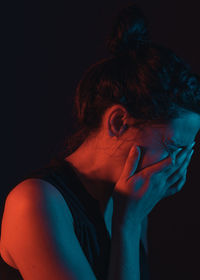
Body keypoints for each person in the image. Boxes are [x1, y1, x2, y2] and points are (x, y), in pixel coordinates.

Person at [1, 3, 200, 280]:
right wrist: (127, 226)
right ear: (118, 122)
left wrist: (130, 220)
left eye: (188, 151)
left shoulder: (130, 199)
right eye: (174, 148)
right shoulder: (36, 202)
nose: (179, 165)